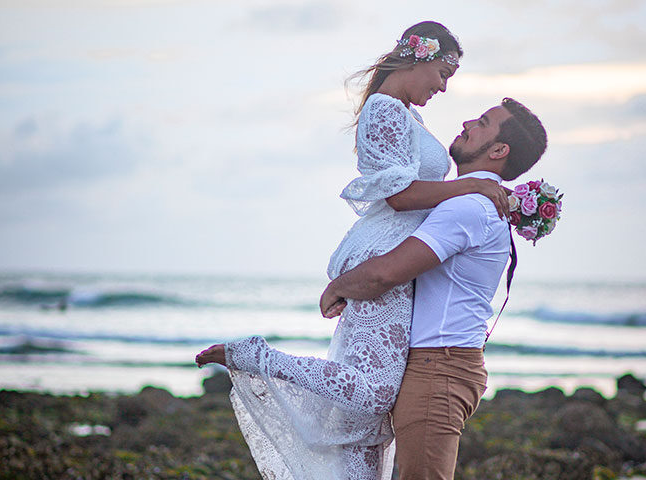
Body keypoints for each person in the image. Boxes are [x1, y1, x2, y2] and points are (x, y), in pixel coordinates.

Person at [195, 21, 510, 480]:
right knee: (374, 396)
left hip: (399, 260)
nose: (443, 88)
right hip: (384, 255)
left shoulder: (408, 116)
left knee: (371, 421)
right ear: (418, 57)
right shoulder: (383, 110)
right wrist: (471, 186)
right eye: (443, 74)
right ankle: (253, 355)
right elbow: (399, 197)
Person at [320, 98, 548, 479]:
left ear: (498, 150)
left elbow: (387, 273)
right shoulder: (469, 199)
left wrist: (339, 287)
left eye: (483, 122)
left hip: (437, 371)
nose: (468, 122)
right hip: (439, 365)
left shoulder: (470, 207)